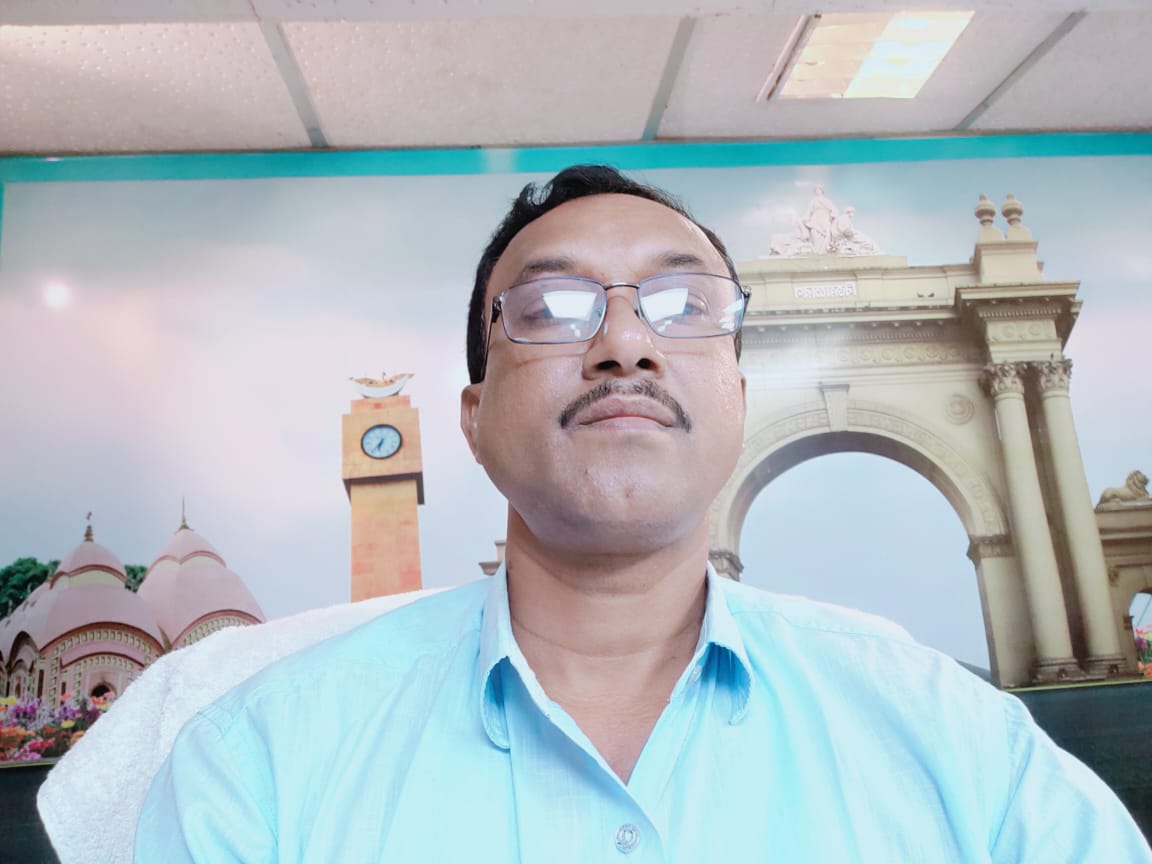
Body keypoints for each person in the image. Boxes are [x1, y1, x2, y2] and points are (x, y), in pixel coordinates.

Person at [134, 165, 1151, 862]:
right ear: (474, 420)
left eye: (682, 305)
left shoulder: (961, 744)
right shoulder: (261, 764)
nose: (625, 343)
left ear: (738, 398)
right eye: (549, 310)